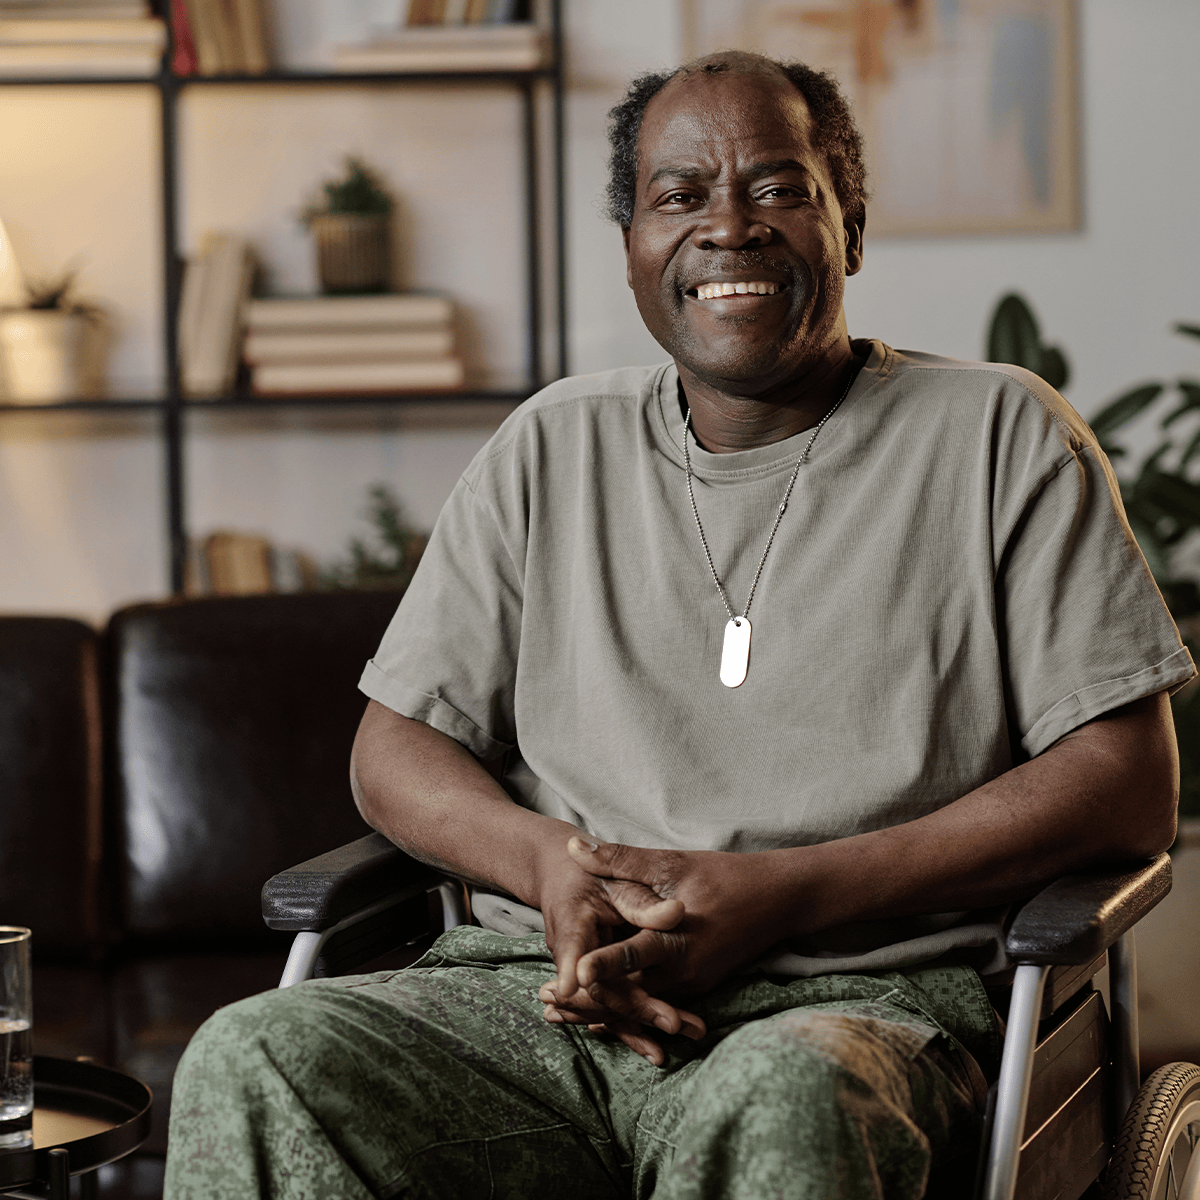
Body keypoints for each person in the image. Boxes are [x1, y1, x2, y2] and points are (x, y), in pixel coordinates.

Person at [164, 51, 1193, 1200]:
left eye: (778, 187)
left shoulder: (999, 438)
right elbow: (394, 748)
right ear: (633, 247)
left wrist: (789, 894)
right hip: (533, 995)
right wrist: (549, 866)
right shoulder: (550, 449)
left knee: (782, 1101)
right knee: (257, 1057)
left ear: (849, 225)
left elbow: (1125, 781)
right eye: (680, 195)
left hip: (853, 1006)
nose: (730, 229)